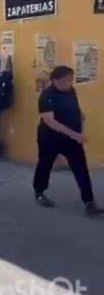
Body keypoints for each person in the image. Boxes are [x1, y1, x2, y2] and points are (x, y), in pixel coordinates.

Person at [33, 66, 103, 216]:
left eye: (71, 79)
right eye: (66, 80)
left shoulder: (71, 90)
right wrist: (74, 134)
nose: (70, 83)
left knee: (81, 168)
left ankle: (89, 202)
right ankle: (39, 192)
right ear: (55, 80)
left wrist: (80, 121)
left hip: (71, 138)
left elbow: (75, 109)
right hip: (50, 138)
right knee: (45, 165)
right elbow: (50, 121)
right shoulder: (47, 96)